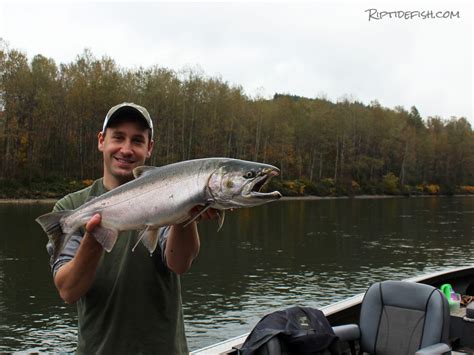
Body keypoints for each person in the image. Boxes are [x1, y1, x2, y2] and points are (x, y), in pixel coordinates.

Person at [48, 102, 215, 354]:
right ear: (101, 141)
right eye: (118, 138)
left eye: (137, 140)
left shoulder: (169, 195)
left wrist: (185, 214)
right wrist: (95, 239)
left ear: (149, 148)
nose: (126, 149)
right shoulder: (71, 207)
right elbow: (68, 291)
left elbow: (179, 263)